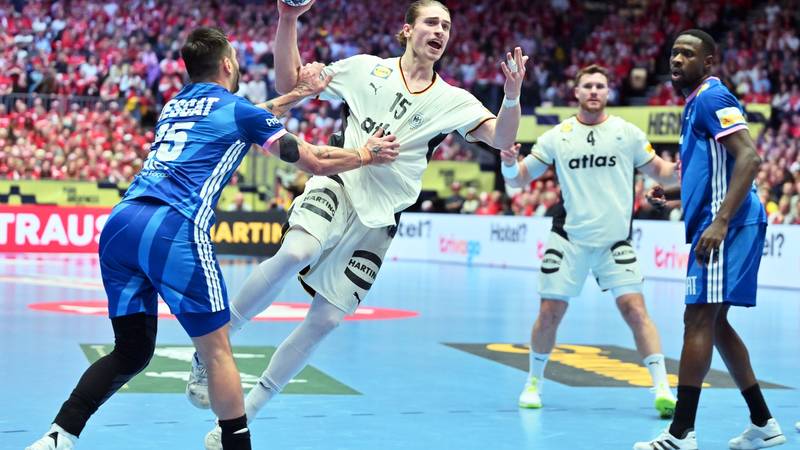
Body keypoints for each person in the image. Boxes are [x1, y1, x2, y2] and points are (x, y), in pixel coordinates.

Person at [25, 26, 399, 450]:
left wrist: (298, 94)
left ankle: (58, 436)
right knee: (216, 351)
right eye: (235, 59)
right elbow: (311, 160)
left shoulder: (175, 105)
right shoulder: (239, 111)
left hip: (121, 225)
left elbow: (249, 114)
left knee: (130, 351)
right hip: (173, 227)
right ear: (226, 64)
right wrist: (366, 154)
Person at [188, 1, 528, 448]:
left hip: (380, 217)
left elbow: (503, 137)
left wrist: (512, 95)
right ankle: (211, 348)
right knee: (296, 251)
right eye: (431, 22)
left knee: (325, 320)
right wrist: (288, 19)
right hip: (340, 180)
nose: (440, 31)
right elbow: (290, 84)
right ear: (407, 30)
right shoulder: (366, 69)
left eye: (446, 26)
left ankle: (242, 417)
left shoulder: (454, 100)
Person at [634, 29, 786, 450]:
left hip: (728, 224)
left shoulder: (712, 98)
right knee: (714, 323)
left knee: (697, 319)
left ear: (709, 62)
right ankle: (763, 423)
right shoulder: (694, 104)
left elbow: (750, 157)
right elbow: (716, 170)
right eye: (674, 52)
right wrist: (676, 193)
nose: (677, 59)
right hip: (722, 220)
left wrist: (719, 222)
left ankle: (681, 433)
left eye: (687, 53)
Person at [501, 64, 679, 417]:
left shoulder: (627, 133)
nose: (594, 91)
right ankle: (533, 382)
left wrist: (684, 167)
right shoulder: (557, 136)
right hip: (569, 239)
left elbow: (661, 171)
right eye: (588, 86)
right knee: (549, 314)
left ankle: (662, 388)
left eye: (600, 86)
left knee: (636, 311)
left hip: (615, 242)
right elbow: (518, 180)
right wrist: (509, 162)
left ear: (608, 92)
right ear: (577, 92)